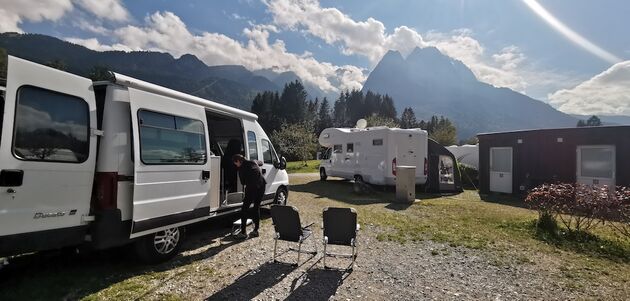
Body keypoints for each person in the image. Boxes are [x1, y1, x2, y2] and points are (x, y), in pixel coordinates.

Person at [232, 154, 267, 239]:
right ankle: (255, 231)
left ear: (238, 161)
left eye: (235, 163)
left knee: (244, 209)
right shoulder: (253, 162)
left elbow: (243, 183)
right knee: (256, 207)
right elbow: (261, 162)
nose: (235, 165)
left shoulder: (241, 169)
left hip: (252, 188)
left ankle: (243, 233)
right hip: (262, 186)